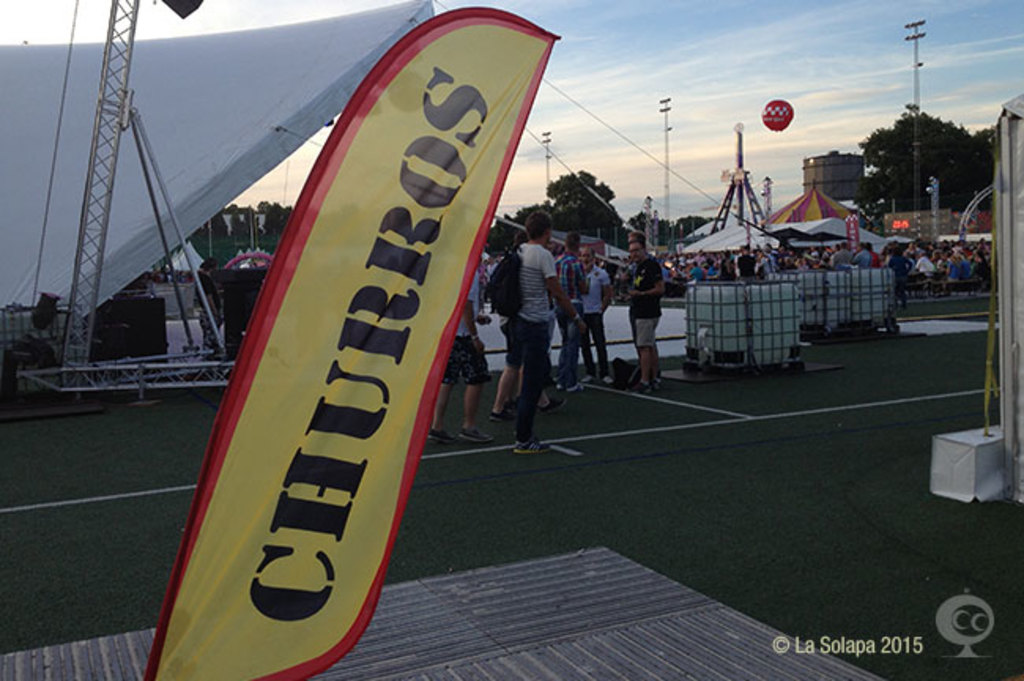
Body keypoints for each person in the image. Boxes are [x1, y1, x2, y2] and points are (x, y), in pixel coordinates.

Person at [513, 211, 585, 454]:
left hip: (520, 321)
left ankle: (523, 430)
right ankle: (524, 438)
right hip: (535, 323)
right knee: (532, 385)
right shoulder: (543, 255)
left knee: (534, 374)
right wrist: (576, 317)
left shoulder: (520, 251)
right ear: (547, 232)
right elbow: (557, 291)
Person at [429, 269, 494, 444]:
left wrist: (474, 318)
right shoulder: (470, 272)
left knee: (447, 380)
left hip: (448, 332)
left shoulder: (452, 270)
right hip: (462, 335)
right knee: (477, 378)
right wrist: (474, 336)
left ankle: (437, 425)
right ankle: (469, 425)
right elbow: (465, 304)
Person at [628, 232, 664, 393]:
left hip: (647, 312)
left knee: (644, 347)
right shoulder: (639, 267)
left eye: (636, 250)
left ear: (644, 249)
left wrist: (641, 294)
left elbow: (660, 289)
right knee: (649, 345)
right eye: (631, 251)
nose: (633, 254)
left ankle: (645, 380)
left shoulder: (651, 266)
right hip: (641, 310)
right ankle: (653, 376)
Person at [554, 231, 588, 393]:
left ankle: (561, 379)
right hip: (574, 303)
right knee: (573, 345)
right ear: (578, 245)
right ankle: (571, 382)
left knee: (564, 342)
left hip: (559, 305)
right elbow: (583, 288)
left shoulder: (557, 261)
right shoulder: (576, 263)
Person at [579, 246, 612, 384]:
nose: (585, 258)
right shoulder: (578, 272)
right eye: (583, 256)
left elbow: (607, 294)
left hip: (595, 313)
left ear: (594, 258)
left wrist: (601, 310)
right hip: (582, 313)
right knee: (584, 344)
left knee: (600, 343)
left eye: (588, 256)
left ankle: (604, 372)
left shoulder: (601, 274)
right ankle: (590, 371)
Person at [195, 257, 222, 353]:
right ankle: (210, 353)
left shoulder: (199, 278)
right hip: (209, 312)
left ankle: (209, 352)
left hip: (205, 310)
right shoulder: (205, 279)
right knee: (211, 334)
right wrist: (214, 311)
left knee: (208, 334)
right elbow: (208, 296)